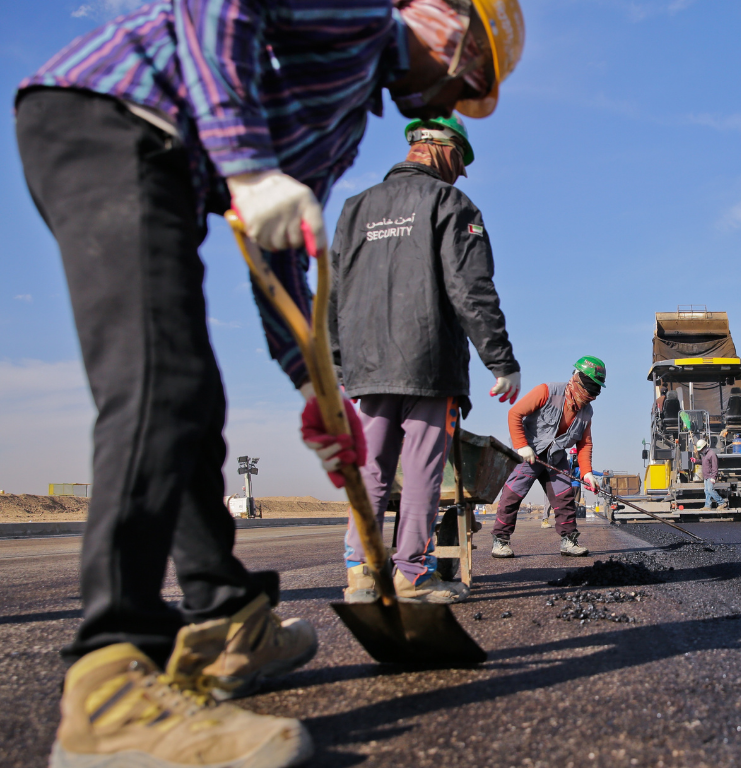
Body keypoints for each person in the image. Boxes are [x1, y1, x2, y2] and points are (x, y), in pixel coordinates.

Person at [15, 1, 524, 765]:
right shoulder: (355, 12)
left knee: (192, 403)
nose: (455, 101)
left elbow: (279, 245)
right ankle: (110, 696)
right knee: (161, 388)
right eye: (471, 75)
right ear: (441, 20)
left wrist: (313, 384)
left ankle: (226, 621)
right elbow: (215, 7)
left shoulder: (348, 117)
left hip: (168, 164)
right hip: (111, 119)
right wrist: (247, 166)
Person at [331, 116, 519, 605]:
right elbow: (471, 288)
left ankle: (360, 574)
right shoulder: (450, 203)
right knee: (420, 472)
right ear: (442, 148)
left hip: (366, 366)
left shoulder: (355, 209)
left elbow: (333, 291)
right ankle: (411, 575)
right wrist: (500, 359)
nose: (461, 173)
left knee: (370, 468)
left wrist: (337, 360)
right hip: (428, 362)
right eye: (461, 161)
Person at [492, 358, 606, 558]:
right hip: (529, 453)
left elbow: (584, 443)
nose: (590, 395)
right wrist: (521, 446)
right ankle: (500, 541)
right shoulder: (547, 391)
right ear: (576, 379)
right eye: (589, 389)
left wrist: (587, 473)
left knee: (565, 498)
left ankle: (569, 541)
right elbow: (515, 413)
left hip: (555, 457)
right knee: (512, 495)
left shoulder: (587, 411)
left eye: (595, 391)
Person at [697, 439, 727, 509]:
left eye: (701, 449)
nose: (700, 451)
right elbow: (703, 462)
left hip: (710, 475)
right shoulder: (705, 455)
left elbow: (715, 466)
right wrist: (696, 461)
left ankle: (722, 503)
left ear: (704, 447)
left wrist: (714, 477)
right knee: (706, 491)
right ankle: (707, 506)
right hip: (706, 476)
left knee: (710, 490)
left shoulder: (712, 454)